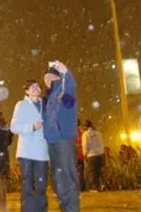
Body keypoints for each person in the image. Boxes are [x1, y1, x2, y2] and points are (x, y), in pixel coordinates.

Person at [42, 61, 79, 212]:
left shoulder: (62, 90)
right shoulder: (49, 97)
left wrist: (66, 72)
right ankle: (66, 208)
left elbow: (70, 91)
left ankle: (72, 209)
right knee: (58, 180)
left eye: (52, 77)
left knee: (67, 178)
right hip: (52, 142)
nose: (48, 80)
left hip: (63, 139)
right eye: (46, 78)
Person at [11, 79, 49, 212]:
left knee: (41, 185)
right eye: (32, 87)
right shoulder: (21, 105)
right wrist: (31, 127)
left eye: (37, 86)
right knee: (27, 185)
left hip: (42, 151)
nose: (36, 88)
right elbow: (14, 127)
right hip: (26, 151)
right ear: (26, 91)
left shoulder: (46, 104)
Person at [82, 120, 104, 192]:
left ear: (86, 126)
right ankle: (99, 186)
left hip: (91, 155)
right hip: (100, 154)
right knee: (98, 172)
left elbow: (85, 145)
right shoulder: (98, 133)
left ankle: (94, 188)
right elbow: (101, 143)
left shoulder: (85, 134)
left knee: (91, 172)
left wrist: (85, 154)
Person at [76, 119, 86, 192]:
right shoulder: (83, 133)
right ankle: (81, 187)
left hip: (73, 156)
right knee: (81, 173)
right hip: (81, 155)